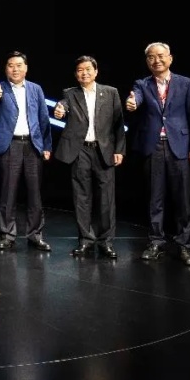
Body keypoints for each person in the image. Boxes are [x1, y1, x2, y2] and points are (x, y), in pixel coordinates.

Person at [125, 42, 190, 266]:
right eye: (151, 57)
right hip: (153, 147)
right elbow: (136, 97)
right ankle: (156, 242)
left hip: (180, 146)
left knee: (182, 199)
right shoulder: (142, 84)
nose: (156, 60)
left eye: (160, 56)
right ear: (147, 61)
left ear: (170, 58)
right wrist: (132, 103)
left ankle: (183, 245)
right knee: (155, 198)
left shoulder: (186, 83)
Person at [53, 56, 126, 259]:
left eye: (87, 69)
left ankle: (106, 242)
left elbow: (119, 124)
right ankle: (85, 240)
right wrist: (60, 110)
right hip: (80, 151)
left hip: (104, 150)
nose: (84, 73)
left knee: (106, 199)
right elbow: (63, 105)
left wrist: (119, 150)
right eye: (80, 70)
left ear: (96, 71)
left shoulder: (110, 92)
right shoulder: (70, 93)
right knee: (81, 197)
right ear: (76, 74)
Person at [0, 51, 53, 251]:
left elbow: (44, 118)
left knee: (35, 194)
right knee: (8, 192)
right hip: (10, 145)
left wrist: (47, 146)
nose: (14, 69)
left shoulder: (35, 89)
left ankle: (35, 235)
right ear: (6, 69)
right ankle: (7, 234)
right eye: (10, 65)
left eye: (18, 65)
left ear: (26, 68)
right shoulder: (0, 87)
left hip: (33, 145)